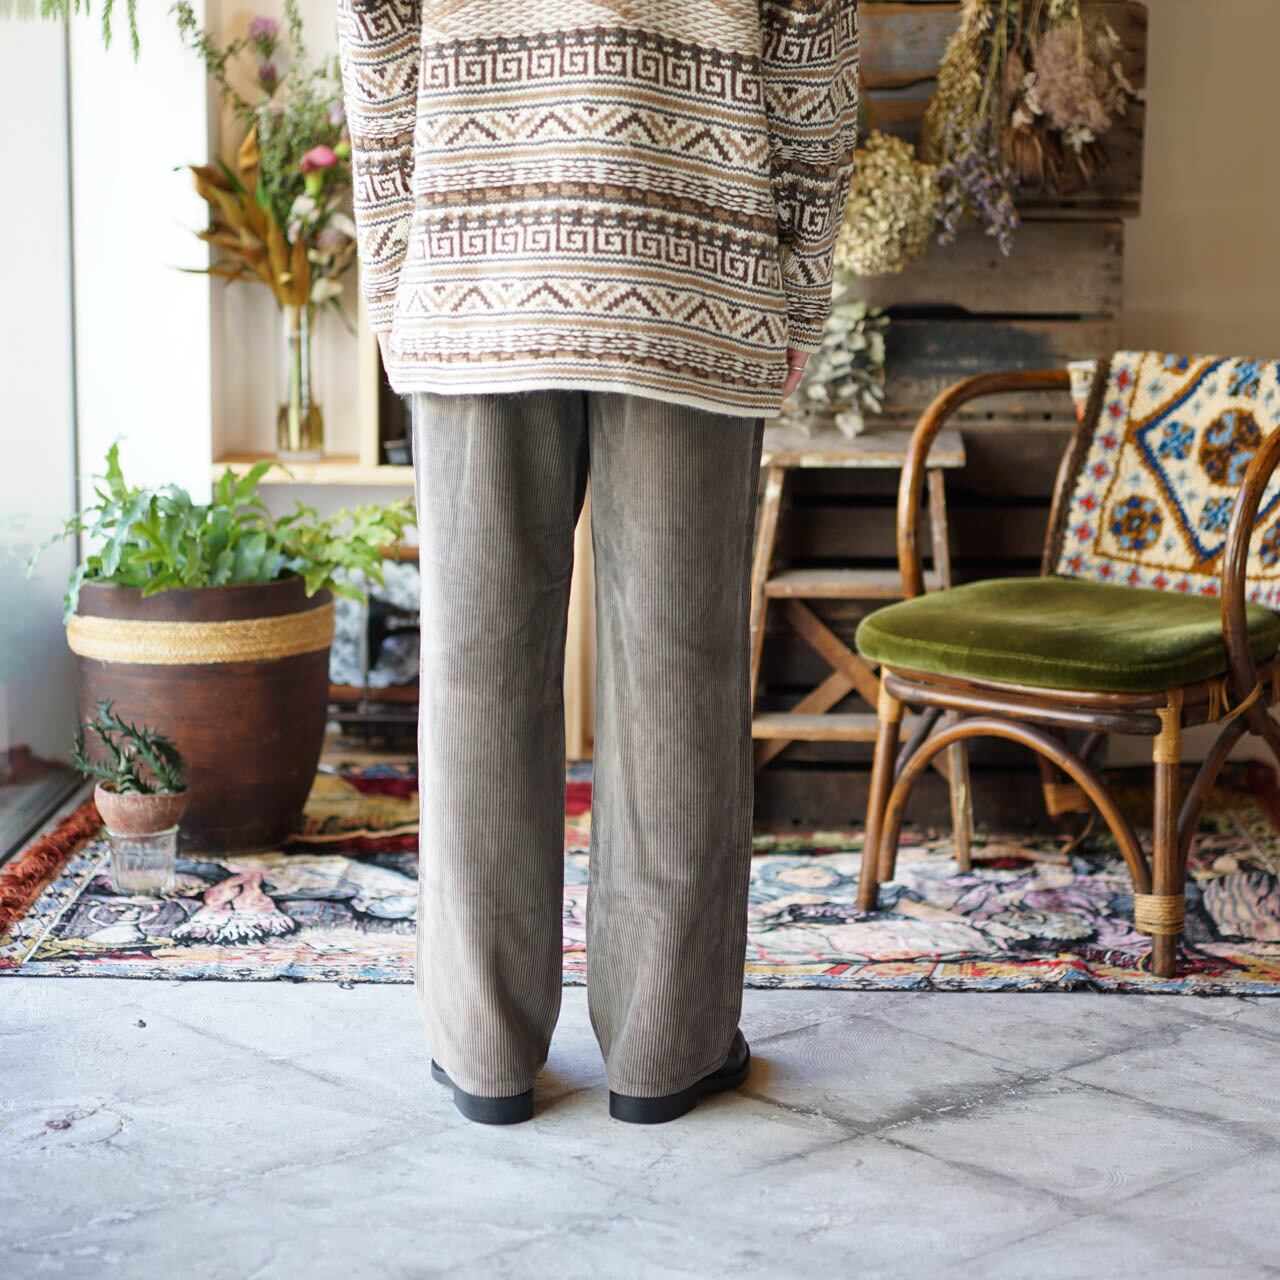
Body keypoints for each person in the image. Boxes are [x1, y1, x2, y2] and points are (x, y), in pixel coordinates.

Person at [337, 0, 859, 1125]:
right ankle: (665, 1050)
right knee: (677, 671)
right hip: (695, 277)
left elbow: (377, 35)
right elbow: (811, 51)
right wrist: (799, 293)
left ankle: (483, 1050)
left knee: (478, 674)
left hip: (475, 275)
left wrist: (391, 280)